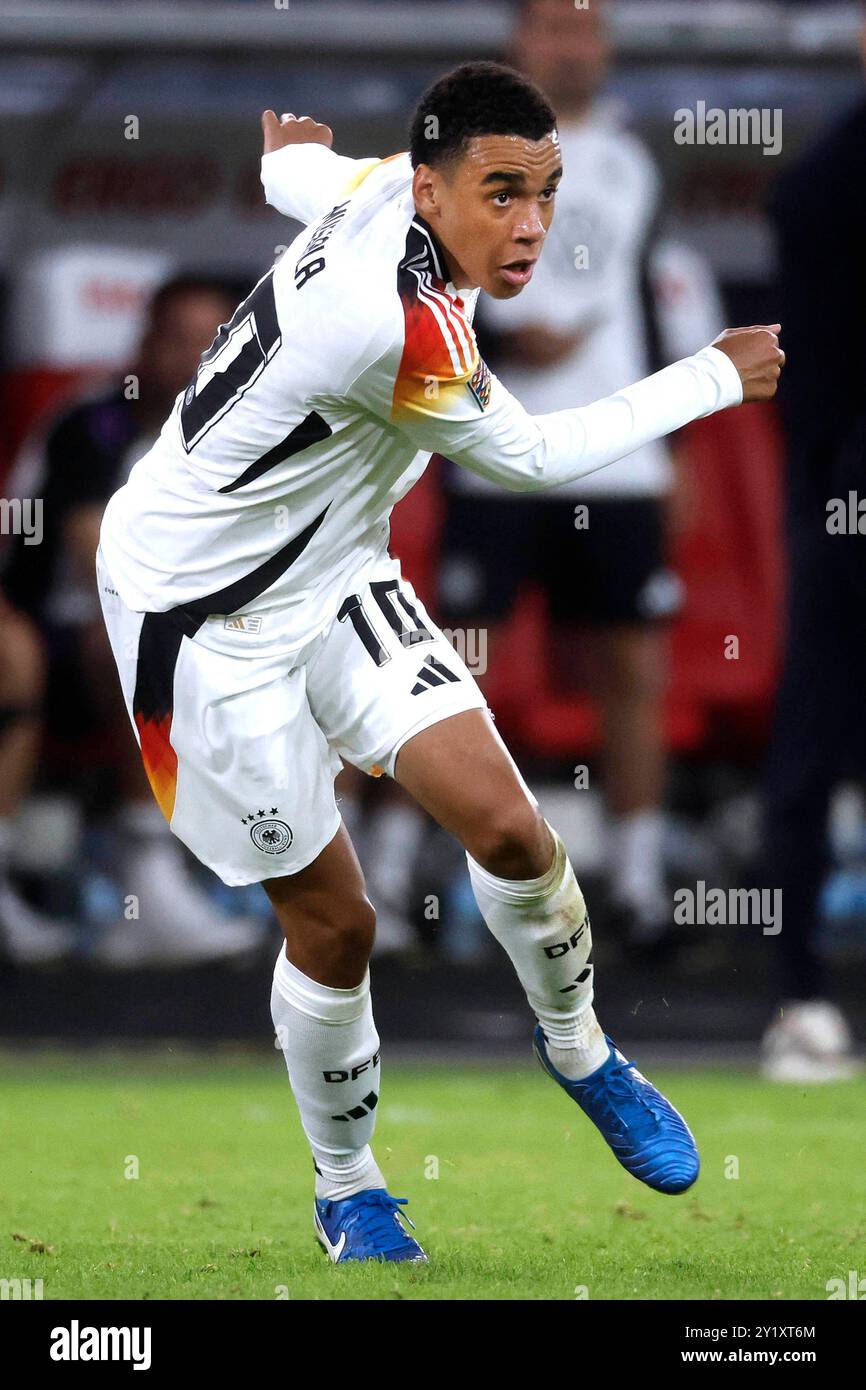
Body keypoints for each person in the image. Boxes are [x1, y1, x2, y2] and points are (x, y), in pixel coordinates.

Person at [96, 62, 783, 1263]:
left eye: (546, 193)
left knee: (512, 833)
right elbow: (528, 457)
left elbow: (307, 174)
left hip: (334, 574)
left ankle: (579, 1048)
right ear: (431, 188)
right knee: (337, 925)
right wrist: (714, 375)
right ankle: (348, 1186)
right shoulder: (391, 319)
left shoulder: (370, 189)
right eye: (500, 193)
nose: (527, 227)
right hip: (196, 621)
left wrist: (276, 158)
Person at [438, 0, 725, 956]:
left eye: (585, 30)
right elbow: (421, 290)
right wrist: (508, 337)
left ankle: (636, 881)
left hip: (617, 458)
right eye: (552, 28)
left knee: (633, 668)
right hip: (495, 448)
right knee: (449, 662)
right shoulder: (455, 155)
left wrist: (676, 453)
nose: (570, 47)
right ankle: (421, 872)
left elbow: (644, 303)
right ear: (518, 42)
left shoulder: (632, 164)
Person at [3, 276, 263, 966]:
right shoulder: (95, 422)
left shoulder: (243, 432)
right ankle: (142, 884)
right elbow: (102, 569)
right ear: (142, 343)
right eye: (172, 339)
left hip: (189, 634)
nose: (188, 359)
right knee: (132, 640)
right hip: (51, 636)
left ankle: (342, 879)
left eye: (208, 342)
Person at [759, 20, 866, 1082]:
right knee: (813, 742)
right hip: (846, 500)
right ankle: (797, 998)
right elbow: (815, 386)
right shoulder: (824, 187)